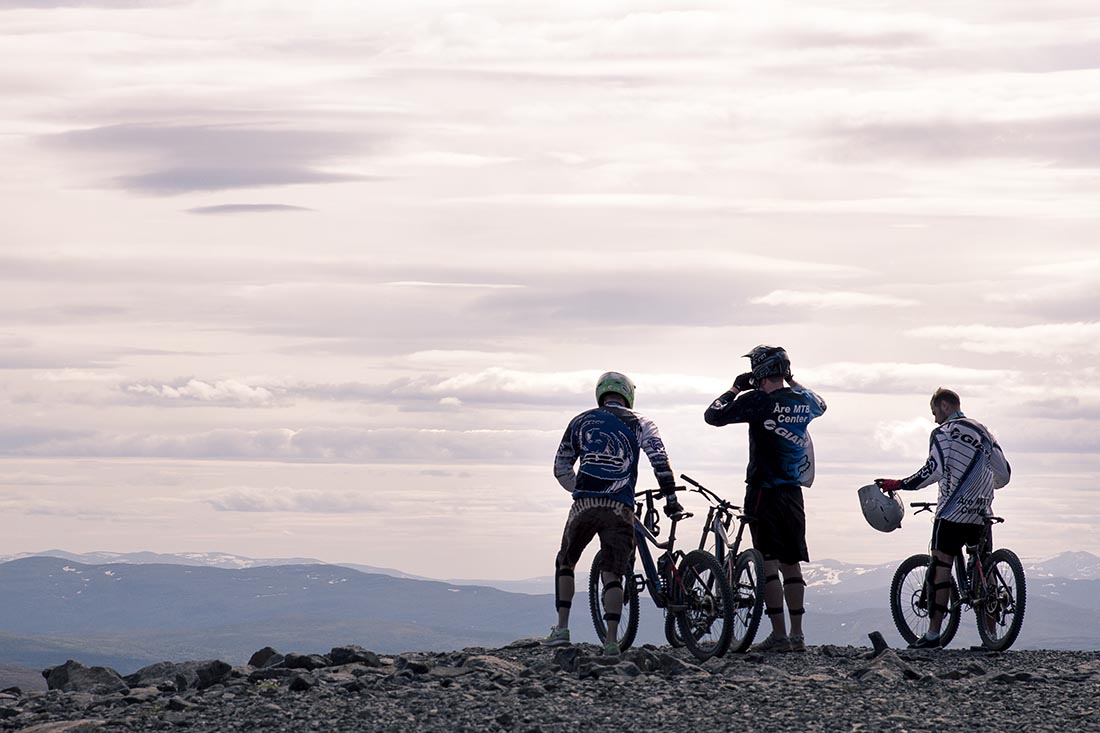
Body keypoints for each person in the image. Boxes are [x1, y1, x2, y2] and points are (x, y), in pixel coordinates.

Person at [545, 371, 683, 656]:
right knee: (613, 573)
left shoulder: (580, 421)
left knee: (566, 562)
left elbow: (561, 467)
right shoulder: (641, 422)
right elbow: (660, 460)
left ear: (600, 394)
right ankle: (611, 640)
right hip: (620, 507)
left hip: (584, 504)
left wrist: (580, 489)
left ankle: (561, 628)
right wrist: (670, 498)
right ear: (628, 395)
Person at [704, 345, 826, 653]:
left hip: (763, 490)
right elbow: (822, 404)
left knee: (768, 563)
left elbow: (712, 416)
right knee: (792, 563)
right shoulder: (804, 400)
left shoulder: (758, 401)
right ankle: (798, 636)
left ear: (758, 372)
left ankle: (779, 636)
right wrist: (793, 381)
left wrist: (734, 388)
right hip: (793, 493)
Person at [875, 387, 1011, 649]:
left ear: (945, 407)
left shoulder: (943, 433)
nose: (934, 419)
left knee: (940, 566)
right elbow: (1003, 474)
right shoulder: (984, 431)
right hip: (982, 513)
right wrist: (981, 485)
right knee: (985, 566)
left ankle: (933, 634)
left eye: (935, 412)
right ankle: (991, 637)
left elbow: (932, 470)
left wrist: (899, 484)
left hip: (951, 512)